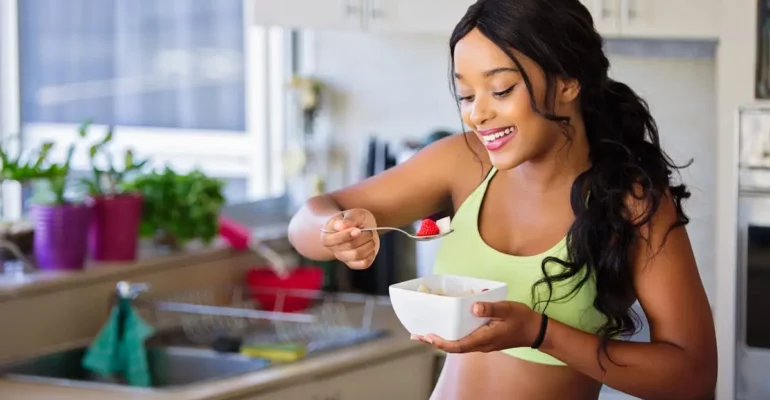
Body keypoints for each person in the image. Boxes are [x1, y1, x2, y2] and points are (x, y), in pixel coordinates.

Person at [287, 0, 717, 398]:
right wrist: (333, 232)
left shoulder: (631, 202)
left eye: (501, 89)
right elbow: (307, 221)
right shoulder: (464, 161)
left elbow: (693, 377)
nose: (477, 114)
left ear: (568, 82)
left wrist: (539, 332)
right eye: (467, 96)